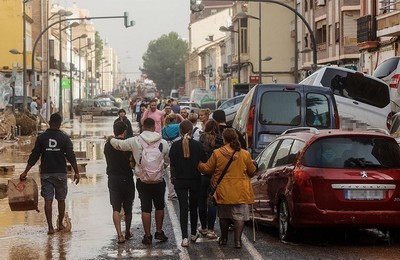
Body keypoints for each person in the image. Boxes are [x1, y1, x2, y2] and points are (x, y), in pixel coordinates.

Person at [110, 118, 170, 245]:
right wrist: (161, 168)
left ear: (143, 127)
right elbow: (167, 160)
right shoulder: (163, 142)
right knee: (160, 206)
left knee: (146, 208)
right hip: (158, 180)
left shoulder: (135, 141)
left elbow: (119, 145)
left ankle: (147, 236)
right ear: (154, 127)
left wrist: (110, 139)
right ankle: (159, 232)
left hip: (142, 180)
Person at [20, 113, 80, 235]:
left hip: (46, 174)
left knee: (48, 200)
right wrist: (77, 172)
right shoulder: (65, 138)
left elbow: (34, 155)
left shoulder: (42, 138)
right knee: (61, 200)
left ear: (49, 122)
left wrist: (25, 171)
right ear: (60, 123)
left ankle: (50, 228)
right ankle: (61, 224)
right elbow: (71, 156)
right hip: (61, 174)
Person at [198, 128, 256, 249]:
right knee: (239, 216)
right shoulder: (245, 154)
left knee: (224, 215)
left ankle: (224, 239)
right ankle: (238, 241)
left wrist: (199, 164)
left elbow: (207, 169)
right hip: (241, 190)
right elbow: (251, 171)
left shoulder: (217, 153)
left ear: (224, 139)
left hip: (223, 189)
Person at [169, 120, 206, 247]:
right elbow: (204, 161)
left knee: (183, 208)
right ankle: (194, 233)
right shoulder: (198, 145)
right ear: (191, 131)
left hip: (180, 181)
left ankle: (184, 237)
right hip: (195, 180)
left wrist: (173, 177)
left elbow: (172, 164)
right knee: (193, 207)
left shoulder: (174, 145)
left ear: (180, 131)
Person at [104, 121, 135, 244]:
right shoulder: (127, 145)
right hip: (126, 178)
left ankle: (119, 235)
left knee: (115, 207)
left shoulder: (107, 145)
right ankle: (127, 231)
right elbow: (133, 162)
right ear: (125, 131)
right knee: (128, 207)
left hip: (113, 178)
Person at [198, 119, 220, 239]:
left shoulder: (201, 138)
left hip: (202, 173)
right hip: (216, 175)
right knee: (212, 202)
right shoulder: (220, 139)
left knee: (201, 201)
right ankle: (211, 229)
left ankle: (204, 228)